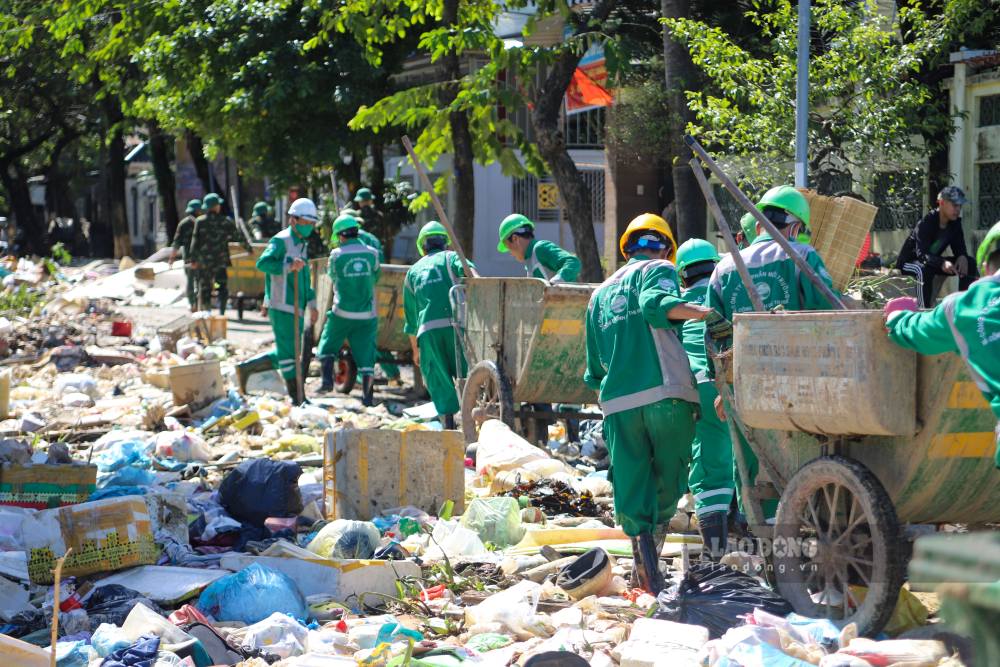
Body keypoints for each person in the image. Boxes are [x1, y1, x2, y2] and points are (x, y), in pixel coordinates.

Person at [584, 213, 727, 594]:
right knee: (669, 479)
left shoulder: (597, 296)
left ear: (625, 247)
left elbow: (593, 368)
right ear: (666, 248)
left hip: (618, 405)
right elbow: (655, 304)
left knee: (631, 483)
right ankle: (653, 560)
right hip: (667, 396)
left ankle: (644, 565)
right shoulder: (660, 268)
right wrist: (701, 312)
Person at [707, 185, 837, 521]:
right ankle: (800, 533)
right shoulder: (802, 257)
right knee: (801, 461)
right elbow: (830, 313)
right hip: (799, 385)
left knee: (752, 465)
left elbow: (712, 330)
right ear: (794, 226)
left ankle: (766, 547)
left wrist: (723, 385)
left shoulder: (723, 268)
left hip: (744, 385)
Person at [885, 221, 1000, 465]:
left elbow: (917, 332)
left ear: (987, 266)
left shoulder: (964, 307)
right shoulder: (927, 226)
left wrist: (896, 317)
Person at [675, 238, 734, 560]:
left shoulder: (679, 300)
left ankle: (715, 550)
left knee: (710, 459)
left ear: (683, 274)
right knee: (737, 456)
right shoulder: (725, 292)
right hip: (732, 379)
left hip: (698, 384)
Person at [240, 198, 319, 403]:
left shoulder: (302, 243)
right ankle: (296, 396)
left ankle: (247, 369)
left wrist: (312, 303)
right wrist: (288, 264)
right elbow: (263, 263)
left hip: (298, 304)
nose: (309, 227)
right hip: (282, 303)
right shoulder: (281, 240)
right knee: (289, 353)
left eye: (312, 223)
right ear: (293, 220)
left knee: (291, 351)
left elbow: (304, 276)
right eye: (306, 222)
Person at [403, 222, 472, 429]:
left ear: (422, 247)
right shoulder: (453, 258)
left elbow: (411, 318)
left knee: (439, 381)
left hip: (428, 332)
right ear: (446, 243)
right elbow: (475, 278)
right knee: (467, 377)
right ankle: (473, 423)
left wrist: (416, 350)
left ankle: (449, 427)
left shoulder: (413, 272)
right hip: (457, 328)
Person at [317, 214, 381, 406]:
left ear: (340, 235)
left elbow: (332, 277)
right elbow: (375, 276)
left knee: (327, 345)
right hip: (367, 315)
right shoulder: (372, 253)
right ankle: (367, 398)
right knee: (366, 357)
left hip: (342, 312)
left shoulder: (336, 255)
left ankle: (327, 382)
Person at [897, 186, 979, 307]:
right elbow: (922, 255)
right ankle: (923, 309)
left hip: (932, 262)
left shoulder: (955, 224)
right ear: (942, 203)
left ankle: (966, 306)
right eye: (954, 205)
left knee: (969, 263)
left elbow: (959, 248)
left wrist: (962, 256)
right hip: (910, 262)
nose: (958, 209)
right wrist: (942, 263)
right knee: (922, 269)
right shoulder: (926, 223)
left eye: (960, 206)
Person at [189, 193, 252, 314]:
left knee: (205, 288)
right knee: (221, 286)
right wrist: (248, 249)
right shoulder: (225, 222)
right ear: (216, 206)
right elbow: (238, 237)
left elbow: (195, 242)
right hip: (220, 262)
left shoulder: (200, 222)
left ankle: (206, 312)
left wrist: (193, 260)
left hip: (205, 263)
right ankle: (222, 312)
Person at [498, 213, 581, 283]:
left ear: (515, 239)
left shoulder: (540, 249)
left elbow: (572, 262)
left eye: (507, 246)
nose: (510, 253)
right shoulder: (530, 263)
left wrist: (554, 285)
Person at [169, 199, 203, 309]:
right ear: (198, 211)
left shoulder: (183, 224)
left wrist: (172, 258)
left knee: (190, 281)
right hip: (202, 258)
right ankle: (199, 302)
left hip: (188, 258)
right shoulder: (203, 222)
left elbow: (176, 243)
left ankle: (193, 303)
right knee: (200, 281)